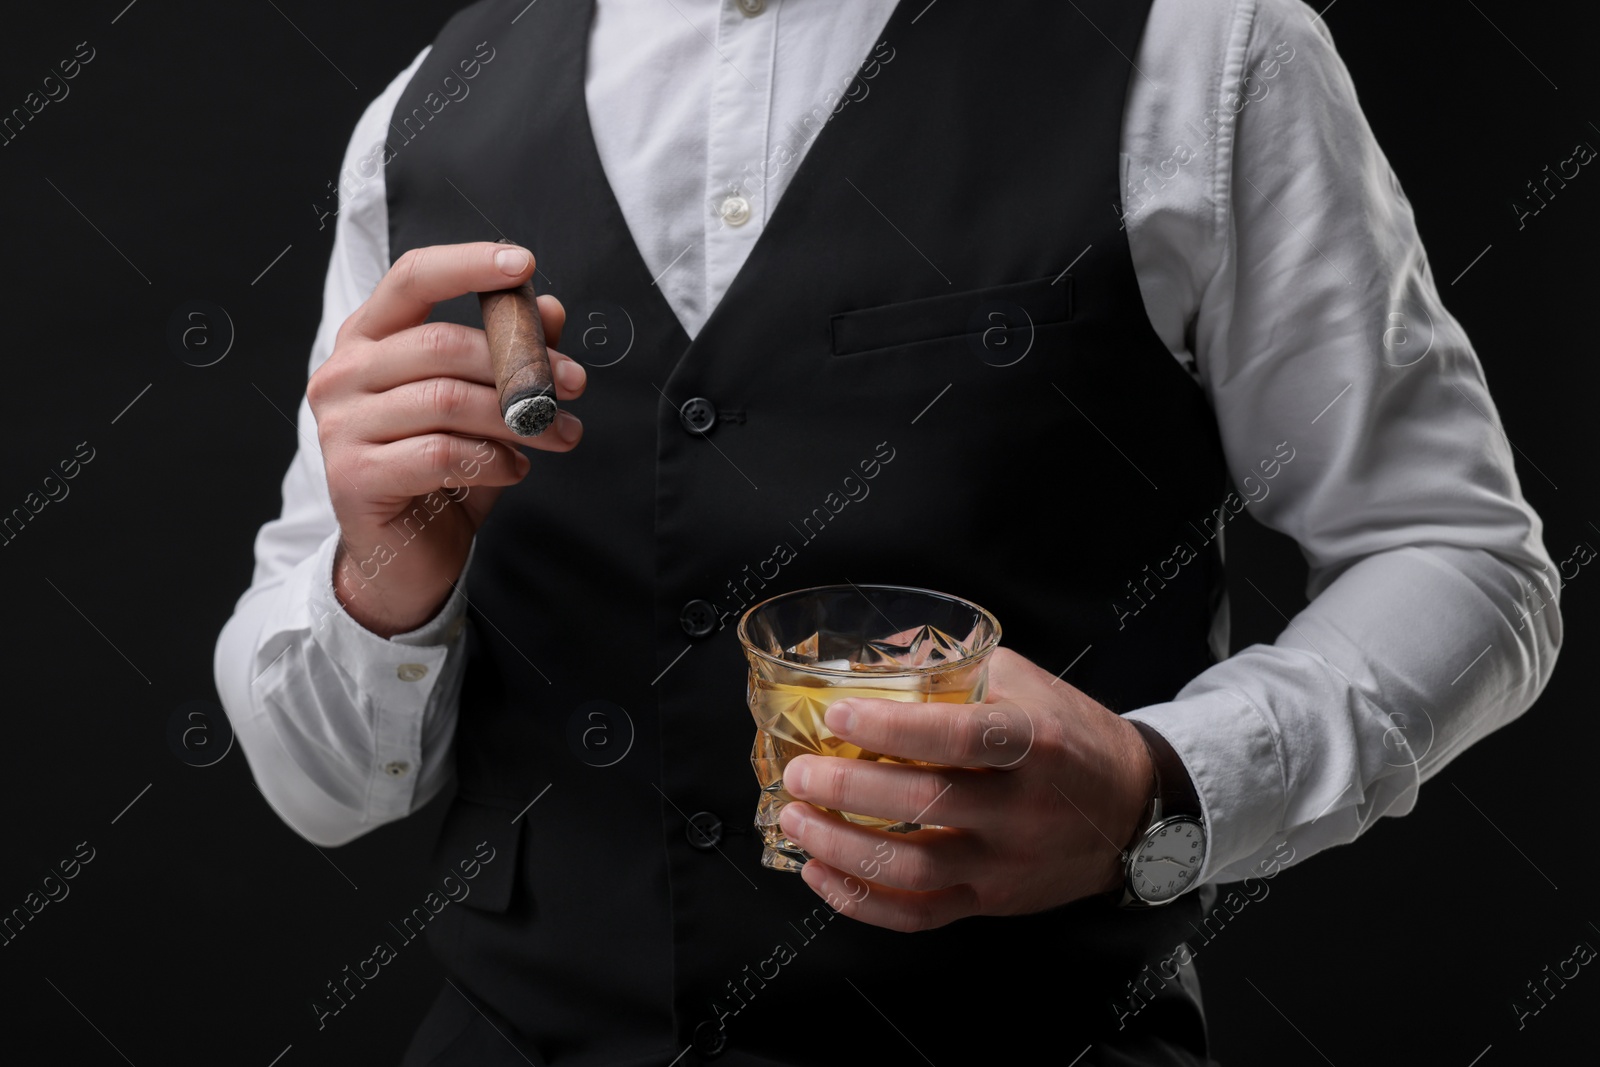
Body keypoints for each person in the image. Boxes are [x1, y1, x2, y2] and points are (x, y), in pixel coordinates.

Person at [213, 0, 1562, 1064]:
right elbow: (329, 788)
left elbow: (1456, 553)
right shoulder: (424, 120)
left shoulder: (1207, 49)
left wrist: (1161, 791)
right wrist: (381, 578)